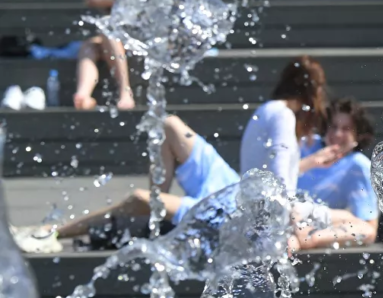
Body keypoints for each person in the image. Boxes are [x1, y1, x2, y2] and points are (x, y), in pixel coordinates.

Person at [14, 58, 330, 253]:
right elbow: (275, 181)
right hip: (235, 200)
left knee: (143, 193)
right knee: (170, 127)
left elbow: (271, 176)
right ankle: (158, 214)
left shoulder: (271, 110)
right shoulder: (284, 116)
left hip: (235, 196)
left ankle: (58, 230)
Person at [292, 98, 380, 250]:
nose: (337, 134)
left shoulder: (358, 166)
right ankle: (307, 238)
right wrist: (312, 160)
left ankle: (308, 238)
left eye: (346, 129)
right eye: (333, 127)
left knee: (364, 228)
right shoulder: (307, 145)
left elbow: (368, 223)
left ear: (358, 136)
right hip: (288, 213)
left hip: (307, 222)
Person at [240, 56, 329, 195]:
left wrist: (313, 161)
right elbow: (278, 170)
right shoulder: (283, 115)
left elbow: (272, 168)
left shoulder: (266, 109)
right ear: (313, 90)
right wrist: (289, 208)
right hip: (271, 210)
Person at [76, 0, 134, 111]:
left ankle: (125, 90)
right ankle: (83, 95)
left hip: (143, 33)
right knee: (89, 46)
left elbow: (144, 7)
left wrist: (111, 1)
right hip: (120, 33)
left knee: (107, 28)